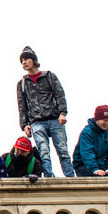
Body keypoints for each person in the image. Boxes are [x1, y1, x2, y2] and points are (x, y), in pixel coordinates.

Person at [16, 46, 74, 177]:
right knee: (43, 151)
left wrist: (63, 113)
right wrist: (24, 125)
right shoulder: (22, 83)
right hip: (36, 122)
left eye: (26, 59)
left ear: (34, 60)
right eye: (22, 60)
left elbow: (59, 95)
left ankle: (70, 176)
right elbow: (22, 105)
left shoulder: (49, 76)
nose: (24, 62)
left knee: (63, 150)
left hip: (54, 119)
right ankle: (48, 176)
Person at [72, 105, 108, 177]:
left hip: (101, 167)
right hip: (84, 166)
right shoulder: (87, 132)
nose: (107, 123)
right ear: (97, 119)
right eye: (105, 120)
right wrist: (95, 169)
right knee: (101, 181)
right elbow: (87, 153)